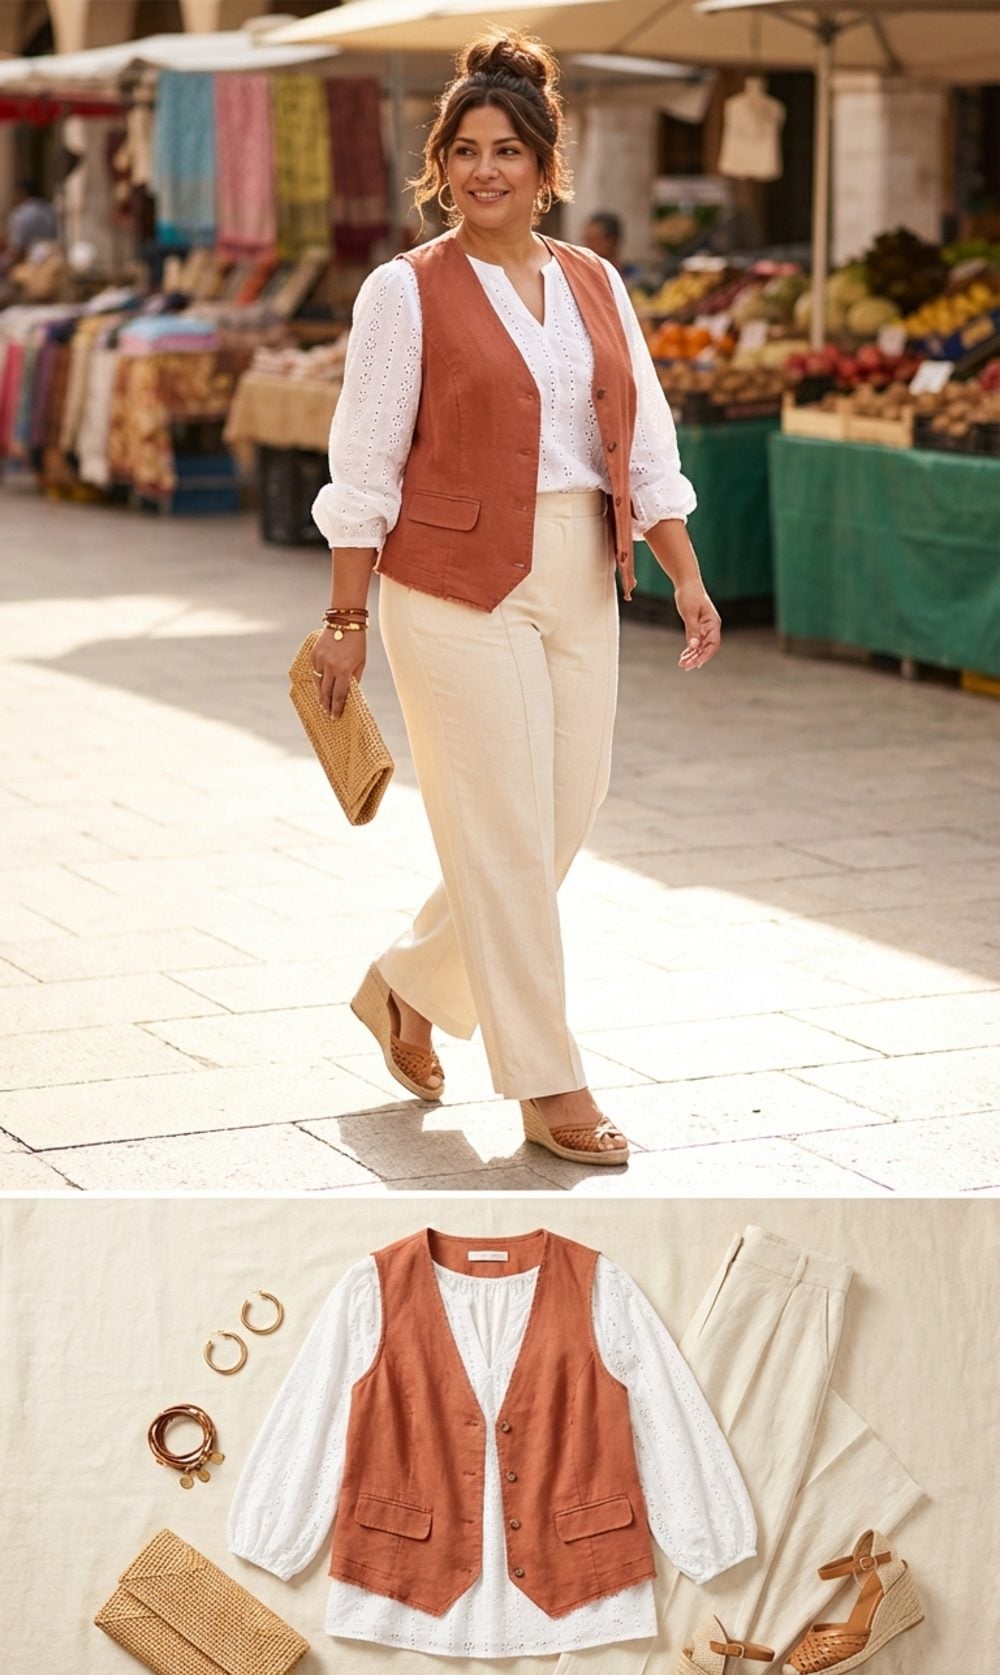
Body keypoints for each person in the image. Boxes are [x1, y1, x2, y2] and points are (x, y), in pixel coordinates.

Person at [310, 30, 720, 1169]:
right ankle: (548, 1082)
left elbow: (641, 445)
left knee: (563, 809)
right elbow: (364, 466)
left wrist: (683, 572)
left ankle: (407, 985)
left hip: (582, 571)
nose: (486, 170)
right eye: (465, 150)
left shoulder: (594, 281)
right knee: (496, 828)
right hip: (448, 586)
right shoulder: (403, 291)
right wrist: (345, 620)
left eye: (509, 150)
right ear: (441, 164)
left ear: (547, 166)